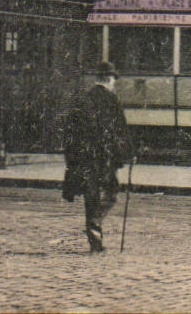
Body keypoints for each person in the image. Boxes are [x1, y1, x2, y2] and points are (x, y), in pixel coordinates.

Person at [61, 63, 132, 253]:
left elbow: (70, 130)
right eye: (113, 81)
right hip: (104, 158)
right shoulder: (112, 99)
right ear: (109, 79)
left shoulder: (83, 99)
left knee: (90, 197)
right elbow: (120, 130)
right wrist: (127, 153)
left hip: (84, 158)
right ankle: (96, 221)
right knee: (111, 193)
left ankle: (95, 241)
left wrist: (71, 158)